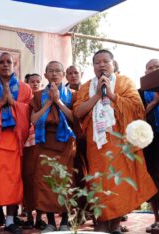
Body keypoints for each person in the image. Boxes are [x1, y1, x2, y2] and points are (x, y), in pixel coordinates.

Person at [74, 49, 157, 234]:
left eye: (105, 61)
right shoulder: (87, 87)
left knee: (119, 183)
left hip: (119, 142)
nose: (101, 65)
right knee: (98, 183)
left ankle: (116, 224)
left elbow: (137, 108)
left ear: (113, 64)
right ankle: (101, 223)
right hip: (96, 144)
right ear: (93, 66)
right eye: (97, 62)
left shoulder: (124, 82)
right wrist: (97, 95)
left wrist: (112, 95)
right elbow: (78, 112)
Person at [0, 52, 32, 234]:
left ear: (13, 65)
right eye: (1, 62)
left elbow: (29, 112)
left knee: (12, 181)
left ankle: (10, 221)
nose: (5, 65)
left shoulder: (24, 88)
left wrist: (14, 104)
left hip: (14, 140)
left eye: (8, 62)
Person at [29, 62, 76, 232]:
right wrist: (49, 102)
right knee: (46, 182)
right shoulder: (38, 95)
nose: (54, 74)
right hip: (44, 143)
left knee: (65, 181)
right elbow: (33, 120)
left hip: (66, 143)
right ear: (46, 74)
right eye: (51, 71)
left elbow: (74, 118)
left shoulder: (72, 95)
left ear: (63, 74)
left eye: (58, 71)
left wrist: (59, 102)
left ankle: (65, 220)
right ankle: (50, 222)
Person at [22, 73, 47, 230]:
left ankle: (39, 216)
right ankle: (29, 215)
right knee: (28, 179)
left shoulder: (43, 98)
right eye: (32, 81)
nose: (36, 84)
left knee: (41, 179)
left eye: (38, 81)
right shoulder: (22, 101)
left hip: (42, 143)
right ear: (27, 83)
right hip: (26, 144)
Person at [139, 59, 159, 233]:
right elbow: (137, 117)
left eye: (156, 67)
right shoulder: (140, 92)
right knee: (153, 179)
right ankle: (156, 219)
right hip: (150, 142)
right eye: (150, 68)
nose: (153, 70)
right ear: (145, 73)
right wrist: (153, 103)